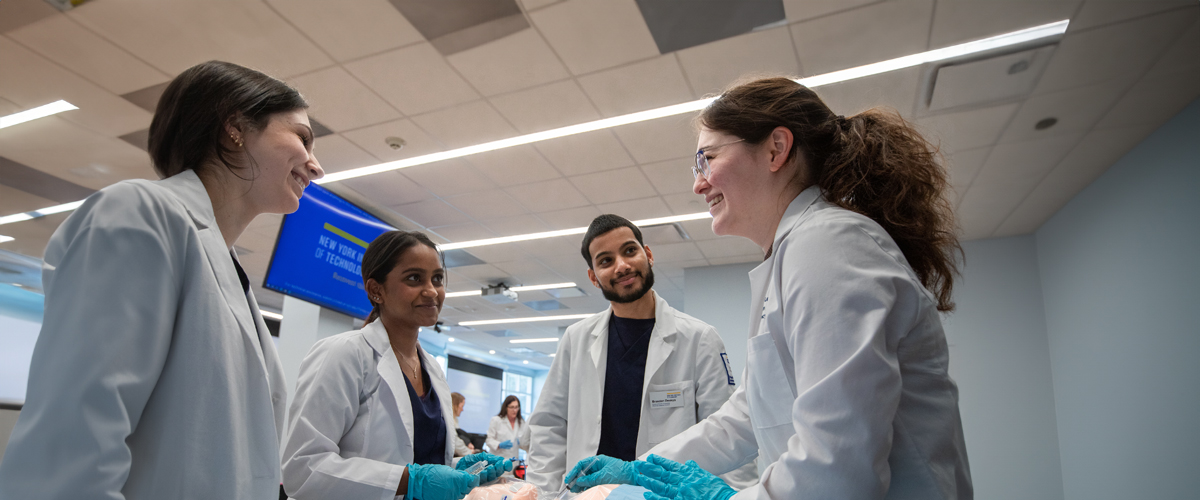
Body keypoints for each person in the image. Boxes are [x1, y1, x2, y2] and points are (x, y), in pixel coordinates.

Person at [566, 77, 972, 499]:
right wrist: (639, 470)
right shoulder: (793, 254)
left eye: (707, 158)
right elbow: (745, 416)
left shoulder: (830, 245)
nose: (698, 184)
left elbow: (837, 467)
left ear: (776, 149)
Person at [0, 61, 322, 499]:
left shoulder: (225, 266)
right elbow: (73, 445)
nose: (315, 165)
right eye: (302, 138)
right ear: (235, 127)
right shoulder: (139, 213)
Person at [527, 214, 755, 494]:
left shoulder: (699, 338)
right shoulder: (576, 339)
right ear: (593, 277)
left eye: (629, 251)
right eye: (605, 260)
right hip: (587, 495)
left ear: (648, 254)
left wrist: (736, 495)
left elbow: (730, 433)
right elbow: (548, 427)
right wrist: (543, 494)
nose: (622, 266)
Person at [281, 231, 510, 500]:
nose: (431, 290)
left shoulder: (433, 370)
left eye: (437, 278)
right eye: (414, 278)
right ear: (376, 290)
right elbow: (303, 468)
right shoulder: (344, 354)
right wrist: (409, 480)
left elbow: (420, 458)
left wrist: (462, 468)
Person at [486, 395, 531, 460]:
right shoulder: (496, 420)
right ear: (506, 408)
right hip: (498, 460)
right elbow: (489, 440)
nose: (514, 410)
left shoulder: (521, 422)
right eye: (512, 407)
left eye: (516, 407)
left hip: (513, 461)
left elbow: (523, 443)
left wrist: (522, 442)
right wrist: (499, 445)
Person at [451, 392, 477, 456]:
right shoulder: (449, 420)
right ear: (455, 405)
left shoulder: (455, 420)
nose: (462, 410)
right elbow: (455, 441)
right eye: (462, 406)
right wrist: (468, 452)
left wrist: (467, 444)